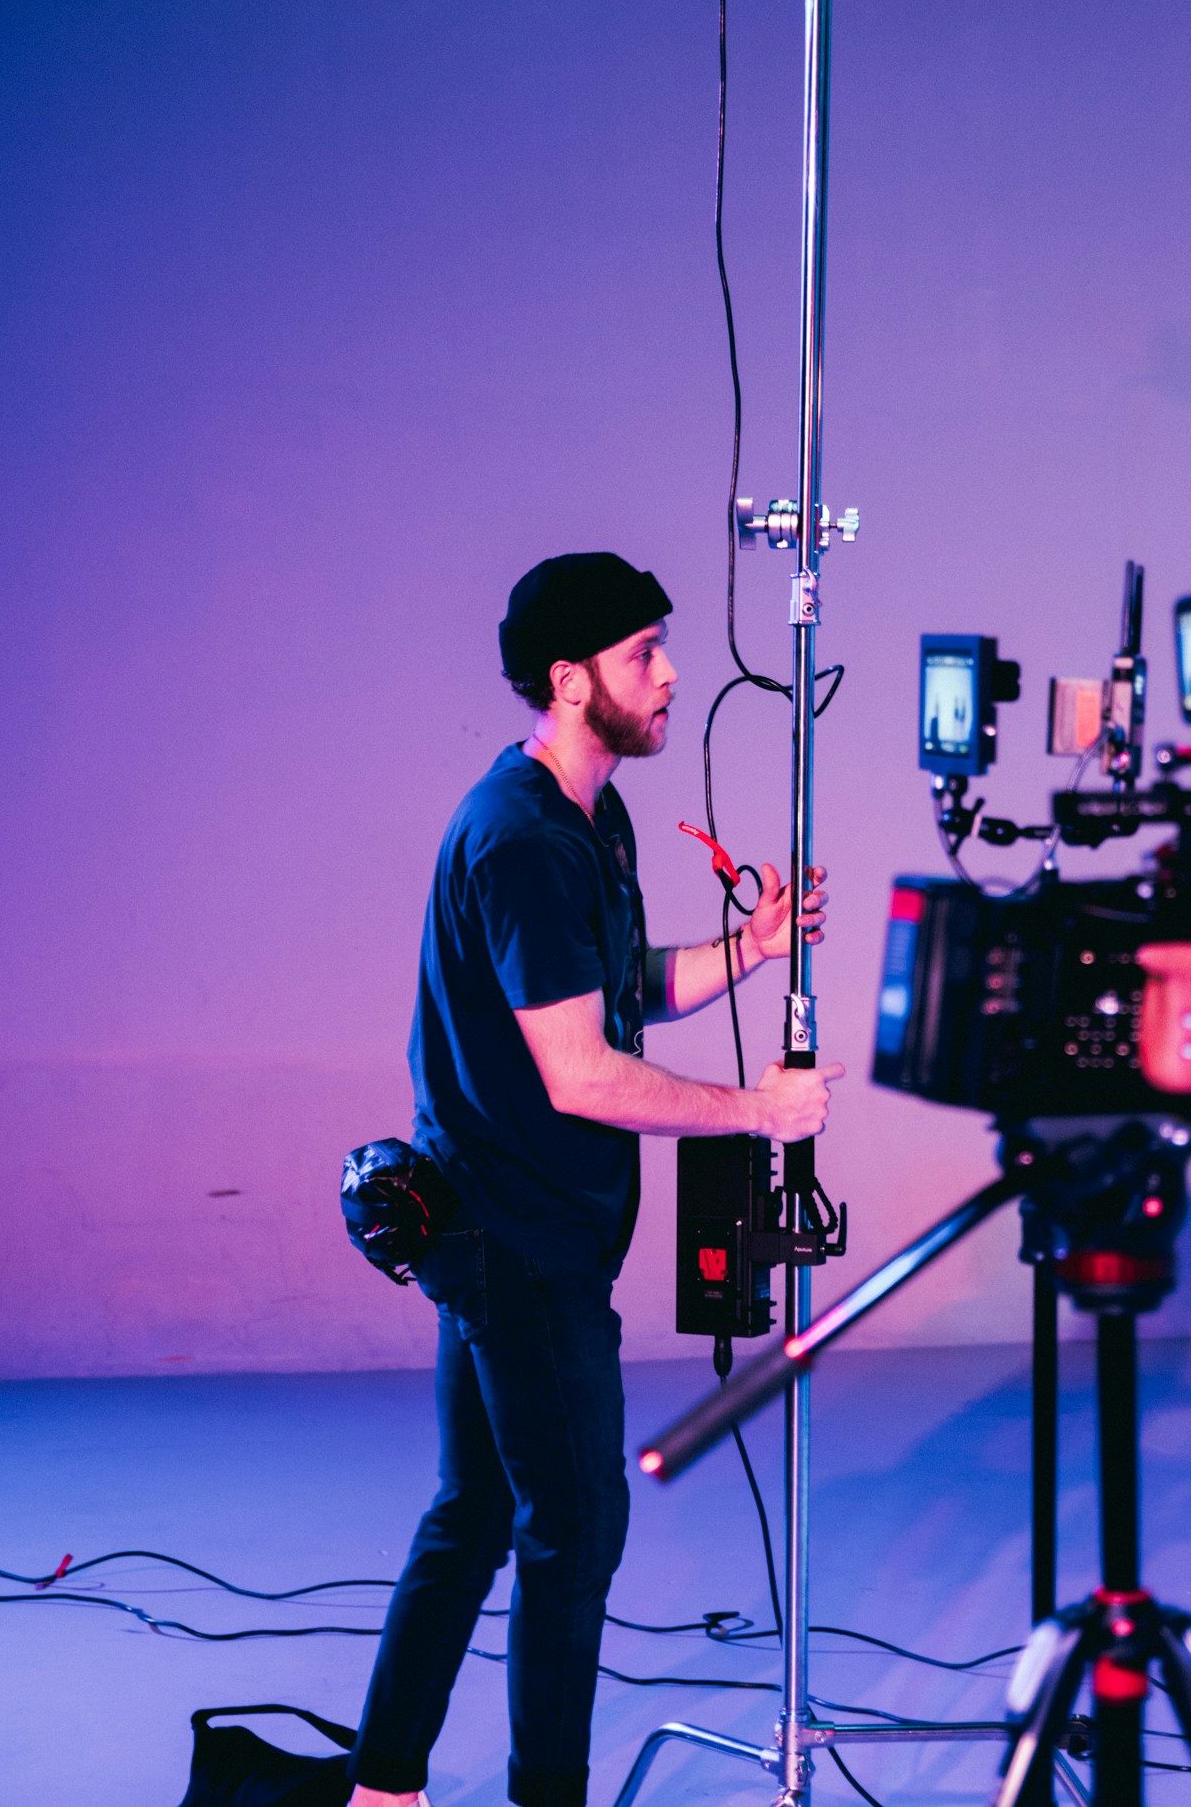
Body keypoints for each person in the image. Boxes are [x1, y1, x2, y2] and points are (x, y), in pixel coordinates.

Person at [347, 551, 837, 1807]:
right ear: (569, 680)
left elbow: (617, 994)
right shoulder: (517, 841)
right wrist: (759, 1111)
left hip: (516, 1226)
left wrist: (748, 948)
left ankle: (383, 1788)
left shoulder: (588, 815)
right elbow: (580, 1072)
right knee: (570, 1534)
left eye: (661, 646)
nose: (669, 673)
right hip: (519, 1242)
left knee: (470, 1512)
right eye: (640, 655)